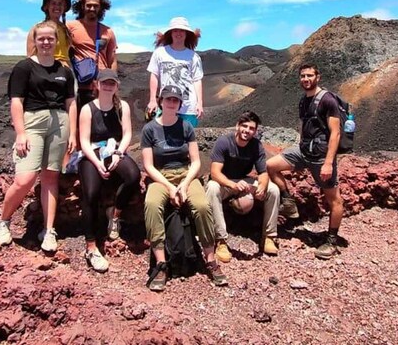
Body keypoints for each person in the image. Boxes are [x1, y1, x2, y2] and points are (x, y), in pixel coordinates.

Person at [0, 22, 78, 253]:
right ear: (34, 41)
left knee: (51, 177)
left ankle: (48, 230)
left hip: (60, 122)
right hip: (33, 121)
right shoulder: (24, 67)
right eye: (41, 38)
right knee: (25, 178)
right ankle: (4, 221)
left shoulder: (64, 71)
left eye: (50, 38)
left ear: (56, 41)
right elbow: (16, 101)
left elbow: (71, 103)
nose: (46, 42)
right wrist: (20, 133)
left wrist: (73, 132)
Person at [141, 85, 226, 291]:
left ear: (179, 104)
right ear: (161, 101)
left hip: (185, 174)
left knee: (202, 206)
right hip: (161, 177)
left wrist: (185, 184)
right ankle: (161, 263)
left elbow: (196, 162)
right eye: (168, 99)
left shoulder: (186, 127)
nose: (171, 103)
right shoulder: (149, 129)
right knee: (151, 204)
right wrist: (170, 187)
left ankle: (210, 259)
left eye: (175, 100)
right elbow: (148, 165)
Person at [266, 64, 345, 260]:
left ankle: (332, 241)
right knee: (271, 166)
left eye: (310, 75)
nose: (306, 79)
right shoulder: (304, 100)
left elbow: (335, 133)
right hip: (302, 151)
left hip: (320, 156)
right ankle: (289, 201)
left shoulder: (327, 100)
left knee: (334, 199)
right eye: (302, 76)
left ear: (318, 76)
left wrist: (328, 163)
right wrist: (298, 150)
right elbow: (304, 126)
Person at [76, 69, 142, 273]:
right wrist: (96, 163)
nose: (108, 86)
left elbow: (127, 133)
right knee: (91, 193)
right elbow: (84, 142)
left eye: (112, 83)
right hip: (92, 153)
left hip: (114, 149)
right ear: (97, 84)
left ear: (117, 86)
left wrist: (118, 153)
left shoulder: (122, 107)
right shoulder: (88, 109)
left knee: (133, 176)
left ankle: (115, 215)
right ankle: (91, 245)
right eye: (104, 82)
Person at [205, 111, 280, 262]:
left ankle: (269, 236)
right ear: (237, 126)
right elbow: (214, 173)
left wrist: (262, 187)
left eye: (251, 128)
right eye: (244, 126)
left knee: (273, 190)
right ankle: (221, 241)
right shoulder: (224, 142)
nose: (247, 131)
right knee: (212, 188)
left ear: (255, 131)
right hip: (225, 182)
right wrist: (233, 184)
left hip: (244, 180)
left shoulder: (256, 145)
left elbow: (263, 173)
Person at [146, 17, 204, 126]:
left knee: (187, 140)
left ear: (186, 33)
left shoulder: (193, 56)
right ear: (170, 33)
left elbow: (197, 80)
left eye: (182, 30)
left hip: (188, 108)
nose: (178, 33)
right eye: (175, 30)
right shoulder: (160, 53)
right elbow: (154, 75)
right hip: (165, 104)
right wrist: (152, 99)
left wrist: (199, 103)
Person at [67, 0, 118, 109]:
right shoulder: (70, 27)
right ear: (82, 7)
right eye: (88, 5)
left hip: (102, 85)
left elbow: (112, 60)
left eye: (96, 6)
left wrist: (114, 83)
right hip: (80, 86)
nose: (92, 8)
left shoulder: (108, 31)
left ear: (101, 8)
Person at [26, 0, 72, 66]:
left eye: (60, 4)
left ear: (64, 7)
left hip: (66, 71)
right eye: (53, 3)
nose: (57, 7)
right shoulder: (37, 29)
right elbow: (31, 55)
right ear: (47, 6)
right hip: (47, 70)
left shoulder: (66, 30)